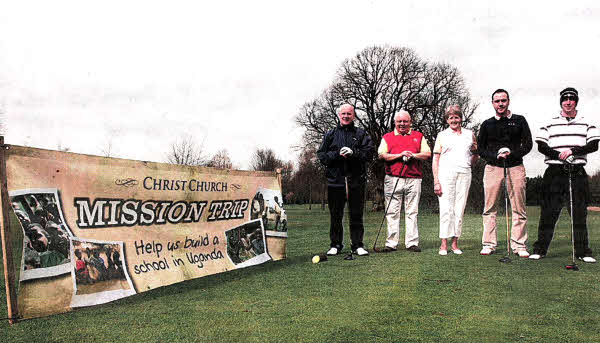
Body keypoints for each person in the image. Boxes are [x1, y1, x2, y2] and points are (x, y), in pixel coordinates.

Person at [530, 88, 599, 263]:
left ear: (576, 101)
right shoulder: (549, 122)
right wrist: (559, 155)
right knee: (548, 212)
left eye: (571, 99)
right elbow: (541, 146)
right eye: (565, 99)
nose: (568, 102)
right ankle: (540, 249)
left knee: (579, 213)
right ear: (561, 101)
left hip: (577, 171)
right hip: (554, 172)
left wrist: (572, 152)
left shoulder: (586, 122)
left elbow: (593, 145)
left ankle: (583, 252)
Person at [477, 89, 532, 257]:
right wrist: (495, 155)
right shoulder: (487, 124)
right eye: (497, 101)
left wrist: (512, 154)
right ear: (493, 103)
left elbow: (528, 144)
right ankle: (488, 243)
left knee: (519, 207)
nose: (500, 104)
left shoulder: (519, 120)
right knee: (490, 207)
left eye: (503, 100)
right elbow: (481, 148)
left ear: (508, 101)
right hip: (493, 168)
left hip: (515, 167)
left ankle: (519, 245)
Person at [317, 103, 375, 256]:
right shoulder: (330, 134)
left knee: (356, 213)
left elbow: (369, 154)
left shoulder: (361, 134)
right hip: (335, 181)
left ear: (354, 116)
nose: (346, 116)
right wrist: (337, 154)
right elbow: (322, 156)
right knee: (336, 215)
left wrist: (353, 153)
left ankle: (357, 245)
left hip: (356, 180)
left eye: (349, 113)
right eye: (343, 114)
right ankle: (335, 244)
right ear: (339, 115)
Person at [378, 110, 431, 252]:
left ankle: (412, 243)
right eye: (399, 121)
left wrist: (413, 155)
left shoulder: (418, 136)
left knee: (412, 212)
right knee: (392, 212)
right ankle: (391, 243)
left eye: (405, 121)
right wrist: (399, 155)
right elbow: (382, 155)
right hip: (393, 178)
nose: (402, 124)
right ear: (395, 122)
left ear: (410, 122)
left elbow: (427, 154)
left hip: (414, 179)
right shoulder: (387, 137)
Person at [432, 105, 478, 255]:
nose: (454, 120)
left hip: (464, 173)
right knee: (446, 208)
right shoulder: (442, 135)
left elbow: (475, 154)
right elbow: (436, 159)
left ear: (461, 118)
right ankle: (443, 244)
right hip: (446, 174)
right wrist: (436, 181)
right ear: (447, 120)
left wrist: (470, 162)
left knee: (460, 208)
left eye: (456, 117)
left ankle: (455, 243)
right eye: (450, 117)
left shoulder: (469, 134)